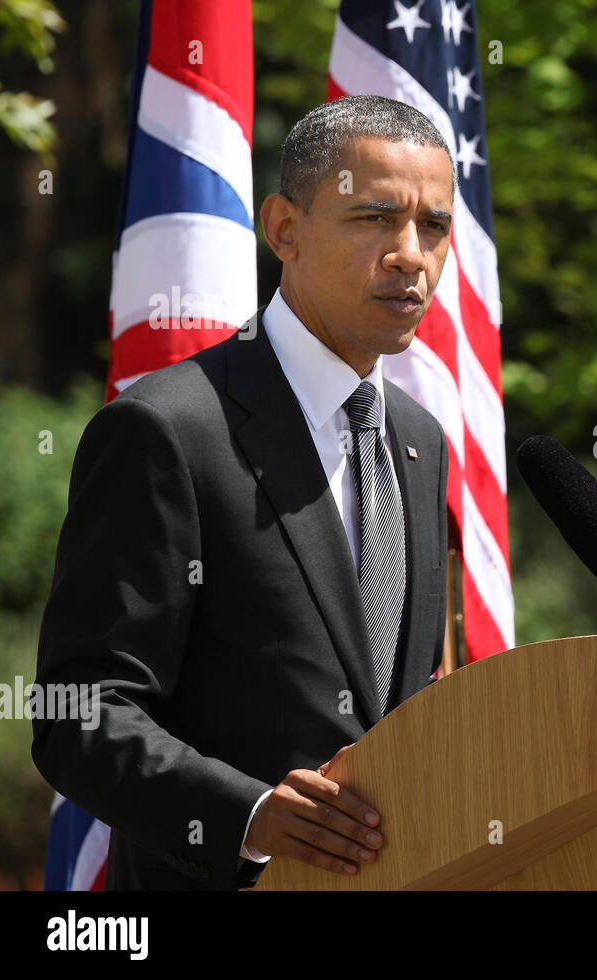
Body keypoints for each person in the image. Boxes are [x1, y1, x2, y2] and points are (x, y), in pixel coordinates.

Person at [32, 95, 455, 890]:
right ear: (284, 228)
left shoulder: (419, 439)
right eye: (374, 218)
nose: (410, 255)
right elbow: (79, 717)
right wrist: (251, 815)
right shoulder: (169, 429)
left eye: (434, 226)